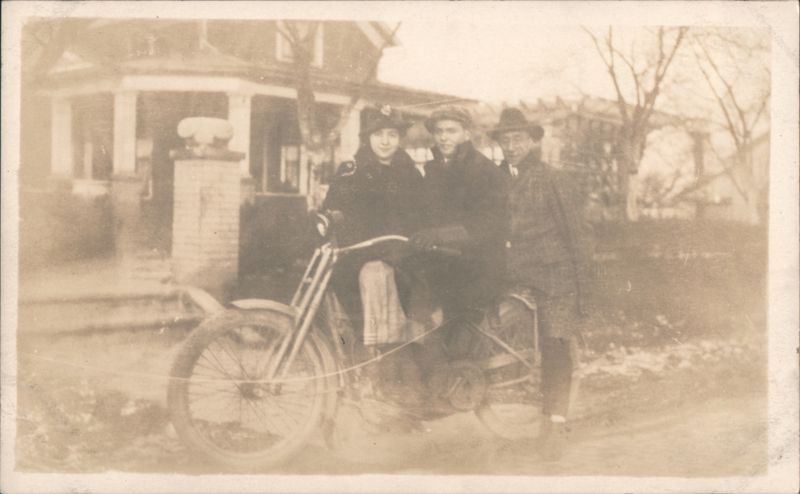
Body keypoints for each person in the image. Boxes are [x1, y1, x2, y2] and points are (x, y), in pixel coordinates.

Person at [490, 107, 594, 459]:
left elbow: (577, 234)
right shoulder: (499, 179)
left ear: (533, 140)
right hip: (517, 274)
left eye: (518, 139)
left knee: (555, 344)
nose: (511, 146)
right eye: (506, 140)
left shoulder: (552, 178)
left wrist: (583, 287)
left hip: (554, 276)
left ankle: (556, 422)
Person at [321, 105, 425, 403]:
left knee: (400, 316)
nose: (385, 141)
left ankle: (397, 379)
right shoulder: (350, 171)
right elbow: (333, 211)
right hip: (358, 258)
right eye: (378, 134)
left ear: (399, 138)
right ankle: (365, 373)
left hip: (402, 258)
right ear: (367, 138)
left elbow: (421, 218)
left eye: (392, 134)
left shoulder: (410, 173)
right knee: (358, 311)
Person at [407, 104, 509, 378]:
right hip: (444, 261)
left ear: (467, 133)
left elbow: (488, 224)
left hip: (478, 266)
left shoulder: (485, 171)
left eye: (451, 131)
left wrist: (440, 234)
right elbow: (422, 215)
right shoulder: (433, 170)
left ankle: (455, 381)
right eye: (439, 131)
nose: (444, 137)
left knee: (450, 338)